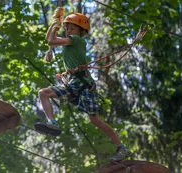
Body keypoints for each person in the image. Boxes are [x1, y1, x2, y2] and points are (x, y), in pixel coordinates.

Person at [34, 10, 131, 161]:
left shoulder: (77, 40)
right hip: (73, 83)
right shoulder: (69, 41)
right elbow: (49, 38)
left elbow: (51, 41)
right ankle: (52, 123)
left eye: (72, 29)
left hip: (85, 85)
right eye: (67, 28)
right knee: (43, 93)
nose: (68, 31)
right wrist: (55, 22)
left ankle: (122, 147)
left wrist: (55, 26)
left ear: (81, 32)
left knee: (95, 120)